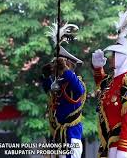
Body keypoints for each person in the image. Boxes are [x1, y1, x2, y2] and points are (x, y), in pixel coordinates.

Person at [92, 9, 127, 158]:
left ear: (124, 57)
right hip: (112, 141)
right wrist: (98, 68)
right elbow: (104, 90)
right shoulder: (115, 79)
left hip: (125, 143)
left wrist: (123, 149)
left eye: (114, 55)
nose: (111, 58)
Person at [41, 23, 86, 158]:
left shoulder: (75, 82)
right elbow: (49, 90)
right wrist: (46, 76)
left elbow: (79, 90)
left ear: (68, 65)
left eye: (58, 64)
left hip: (71, 138)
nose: (55, 66)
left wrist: (65, 70)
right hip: (59, 137)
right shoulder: (59, 83)